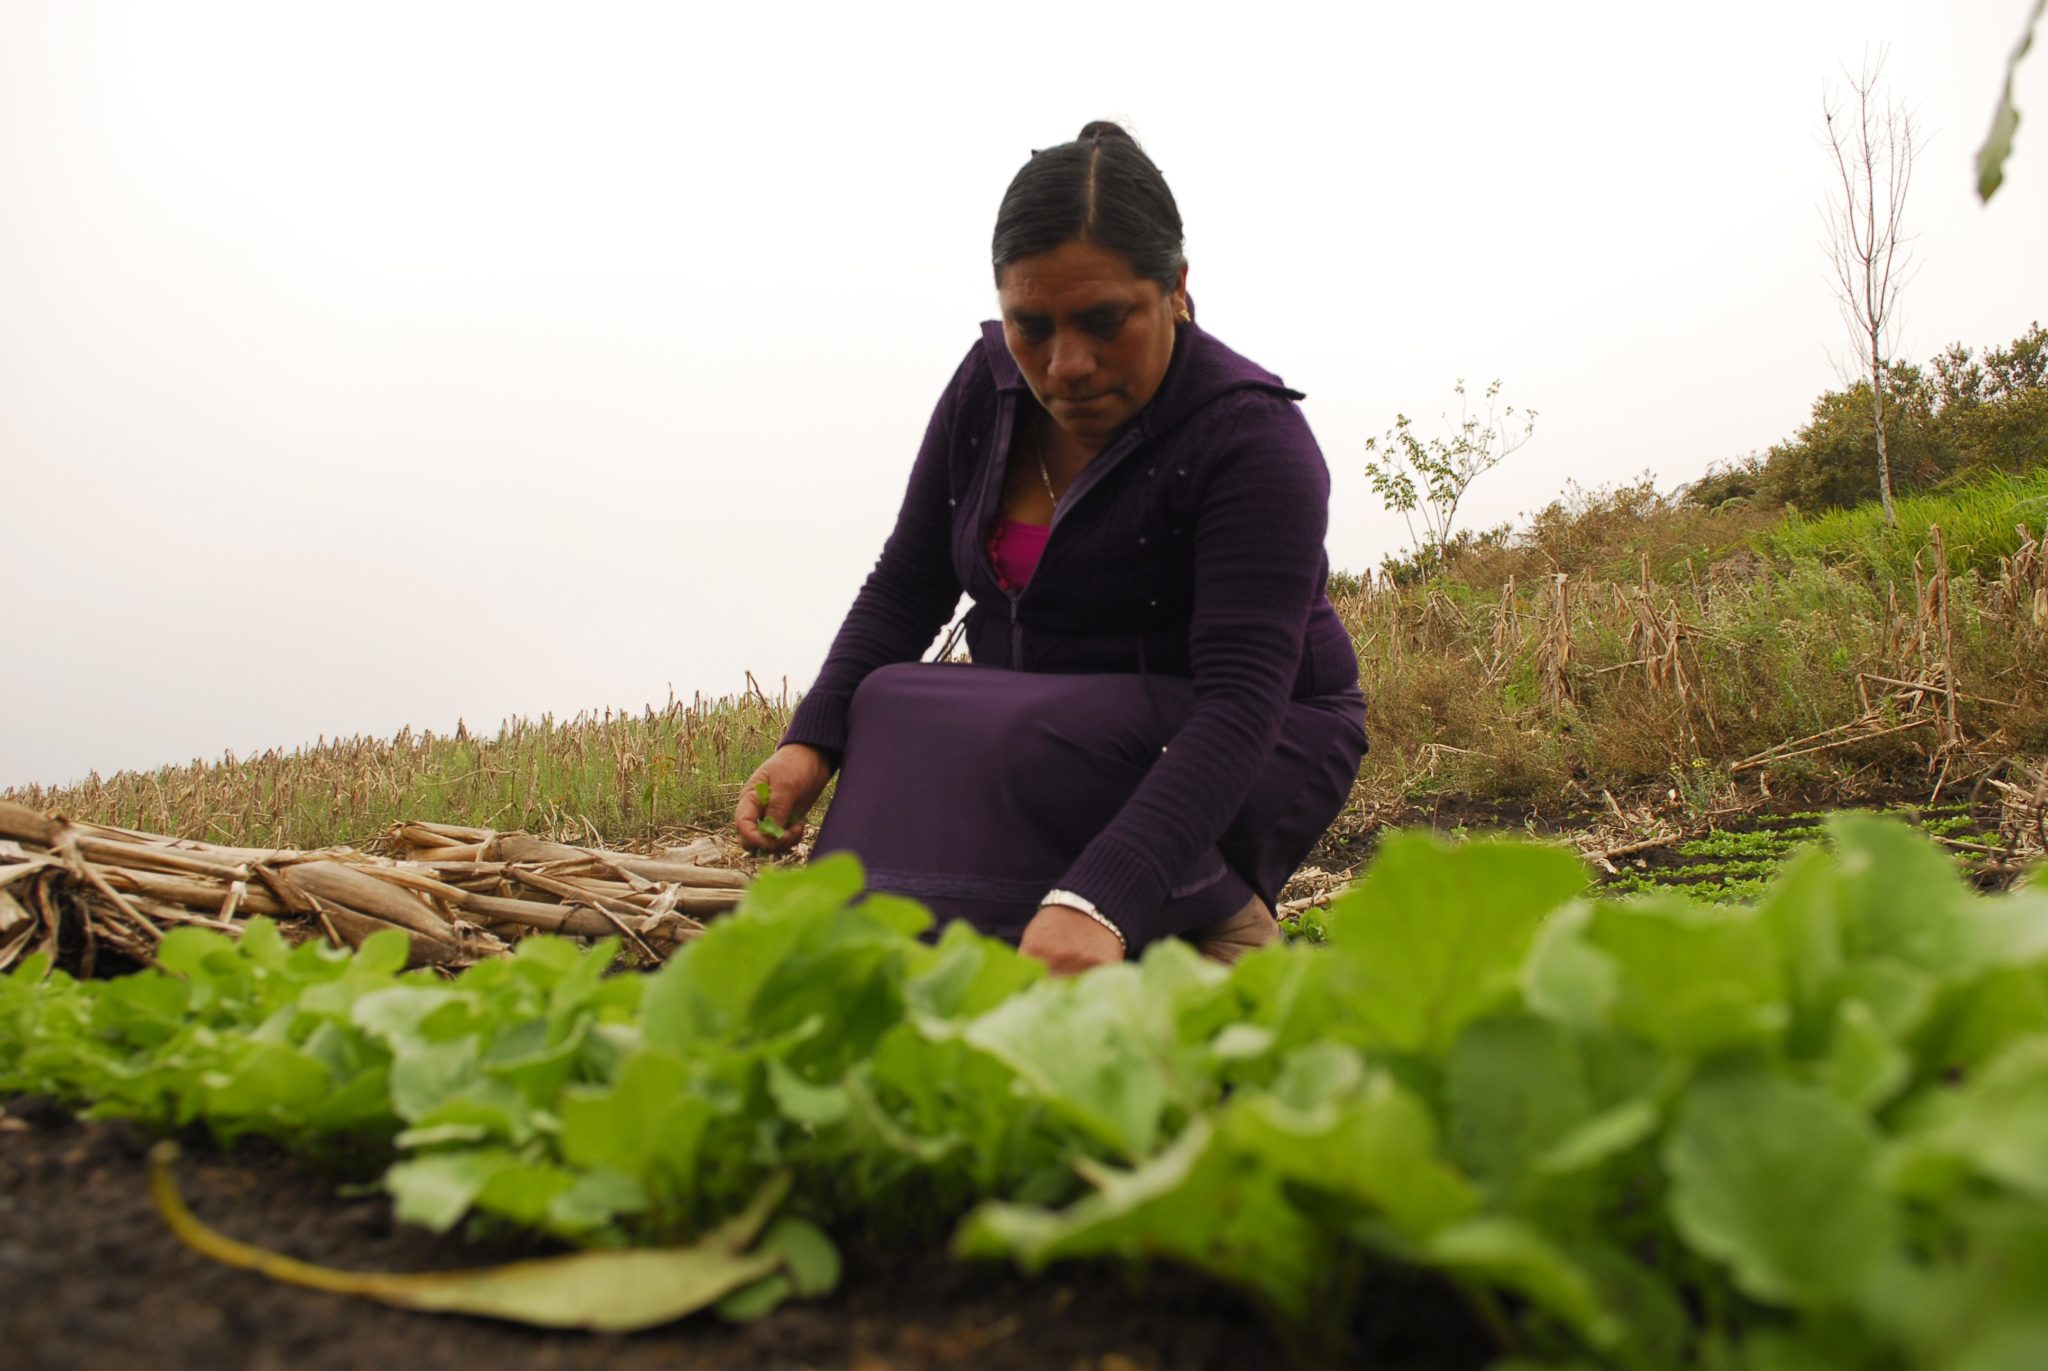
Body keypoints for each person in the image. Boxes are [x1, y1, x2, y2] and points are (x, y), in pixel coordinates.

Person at [735, 121, 1367, 976]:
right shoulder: (987, 392)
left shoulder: (1250, 438)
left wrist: (1097, 897)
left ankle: (1221, 914)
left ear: (1176, 287)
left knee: (1034, 743)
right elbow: (906, 584)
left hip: (1249, 736)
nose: (1065, 364)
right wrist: (812, 742)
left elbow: (1241, 702)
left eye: (1105, 320)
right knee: (887, 703)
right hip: (1046, 731)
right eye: (1032, 325)